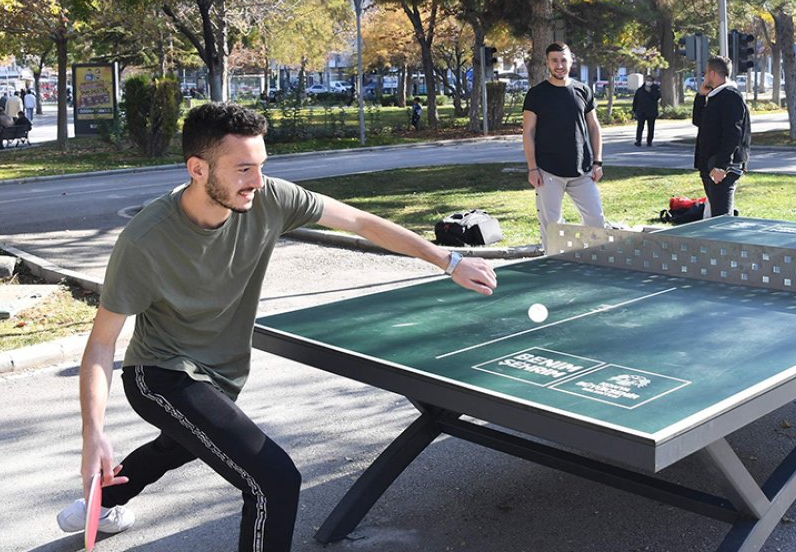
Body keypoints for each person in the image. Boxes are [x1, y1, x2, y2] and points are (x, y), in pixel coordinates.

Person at [55, 103, 497, 551]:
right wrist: (93, 434)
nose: (257, 181)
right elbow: (101, 346)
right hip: (160, 374)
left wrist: (448, 260)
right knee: (275, 481)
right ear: (197, 169)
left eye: (262, 166)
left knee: (176, 446)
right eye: (244, 168)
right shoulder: (146, 240)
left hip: (222, 375)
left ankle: (104, 503)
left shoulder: (269, 199)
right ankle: (106, 497)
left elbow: (360, 222)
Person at [522, 42, 606, 240]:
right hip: (548, 171)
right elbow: (528, 132)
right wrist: (533, 168)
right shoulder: (537, 94)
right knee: (552, 225)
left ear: (571, 61)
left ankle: (595, 258)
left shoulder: (583, 90)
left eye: (563, 60)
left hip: (582, 171)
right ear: (547, 63)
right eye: (554, 61)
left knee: (596, 218)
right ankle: (553, 263)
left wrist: (597, 162)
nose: (559, 65)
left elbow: (594, 127)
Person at [692, 55, 751, 218]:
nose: (704, 76)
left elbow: (734, 133)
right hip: (710, 163)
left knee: (722, 218)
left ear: (712, 74)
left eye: (705, 73)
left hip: (722, 165)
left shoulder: (730, 96)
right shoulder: (714, 96)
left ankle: (729, 244)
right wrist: (700, 96)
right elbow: (698, 121)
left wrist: (721, 165)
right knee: (716, 215)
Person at [632, 77, 661, 146]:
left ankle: (649, 141)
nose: (648, 82)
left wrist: (650, 92)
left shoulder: (655, 89)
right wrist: (634, 110)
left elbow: (657, 97)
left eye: (650, 81)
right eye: (647, 80)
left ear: (652, 81)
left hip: (651, 112)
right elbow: (635, 101)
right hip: (641, 111)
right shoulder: (640, 90)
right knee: (640, 127)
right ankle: (638, 140)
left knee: (651, 127)